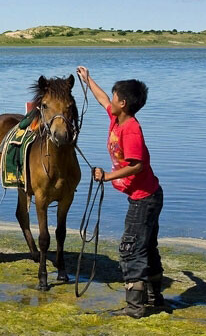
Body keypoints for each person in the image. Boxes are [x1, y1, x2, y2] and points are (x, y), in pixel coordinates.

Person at [76, 66, 165, 318]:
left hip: (144, 199)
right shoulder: (117, 118)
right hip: (147, 196)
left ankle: (136, 309)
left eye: (116, 97)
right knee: (146, 247)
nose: (110, 100)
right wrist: (88, 79)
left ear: (123, 103)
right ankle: (154, 300)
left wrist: (107, 176)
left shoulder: (131, 129)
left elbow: (138, 165)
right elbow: (103, 98)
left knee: (130, 249)